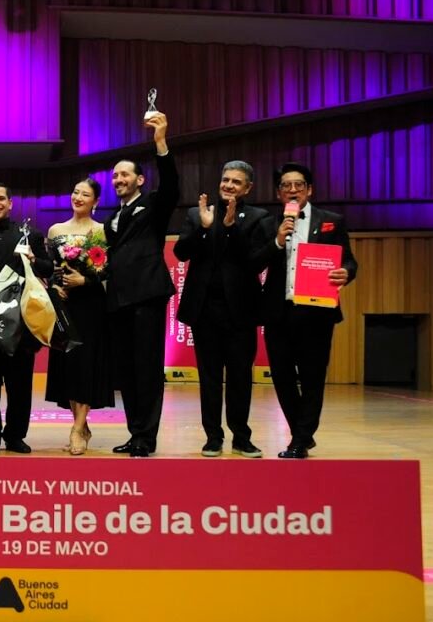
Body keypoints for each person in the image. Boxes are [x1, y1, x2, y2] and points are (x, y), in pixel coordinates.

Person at [251, 162, 357, 459]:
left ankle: (299, 440)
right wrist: (277, 240)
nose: (293, 189)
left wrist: (346, 273)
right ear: (279, 192)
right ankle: (303, 432)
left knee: (312, 378)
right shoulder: (268, 224)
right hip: (277, 313)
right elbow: (255, 262)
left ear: (309, 189)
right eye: (286, 185)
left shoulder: (332, 221)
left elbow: (349, 261)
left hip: (317, 313)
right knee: (282, 378)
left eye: (299, 184)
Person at [173, 161, 269, 459]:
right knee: (210, 376)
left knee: (240, 376)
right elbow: (181, 252)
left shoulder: (258, 218)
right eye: (225, 179)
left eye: (236, 182)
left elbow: (256, 262)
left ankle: (241, 437)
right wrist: (203, 229)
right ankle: (213, 437)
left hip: (241, 310)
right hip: (205, 309)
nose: (229, 185)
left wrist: (231, 229)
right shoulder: (198, 213)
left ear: (248, 188)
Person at [105, 113, 179, 458]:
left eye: (125, 174)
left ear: (140, 179)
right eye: (115, 175)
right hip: (118, 301)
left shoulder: (153, 205)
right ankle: (135, 432)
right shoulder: (111, 219)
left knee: (147, 369)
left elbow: (171, 187)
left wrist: (160, 142)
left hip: (147, 295)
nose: (119, 179)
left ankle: (146, 438)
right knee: (127, 373)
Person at [0, 182, 53, 455]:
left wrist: (33, 259)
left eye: (1, 199)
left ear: (10, 204)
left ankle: (16, 436)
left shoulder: (28, 234)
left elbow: (48, 268)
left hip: (20, 325)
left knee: (19, 386)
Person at [44, 178, 114, 455]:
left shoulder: (102, 231)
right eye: (75, 192)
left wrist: (83, 282)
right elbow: (49, 267)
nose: (78, 197)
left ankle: (77, 429)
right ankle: (80, 424)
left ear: (95, 201)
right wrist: (56, 286)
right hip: (64, 305)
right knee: (69, 366)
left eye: (85, 194)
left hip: (91, 305)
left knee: (86, 364)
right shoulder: (55, 229)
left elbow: (108, 273)